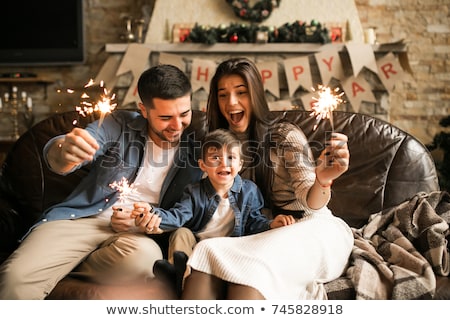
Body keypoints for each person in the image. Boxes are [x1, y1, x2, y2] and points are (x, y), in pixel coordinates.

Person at [0, 64, 203, 299]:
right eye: (166, 117)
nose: (177, 126)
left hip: (135, 236)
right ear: (144, 111)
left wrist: (149, 221)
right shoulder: (117, 123)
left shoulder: (197, 149)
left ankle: (64, 266)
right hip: (82, 220)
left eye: (184, 114)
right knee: (14, 278)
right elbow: (64, 154)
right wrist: (64, 150)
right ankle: (54, 262)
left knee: (144, 262)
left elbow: (192, 209)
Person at [181, 57, 354, 300]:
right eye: (222, 95)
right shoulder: (217, 146)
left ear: (256, 95)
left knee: (249, 272)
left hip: (309, 226)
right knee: (205, 252)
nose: (231, 102)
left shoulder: (284, 135)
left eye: (241, 92)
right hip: (263, 231)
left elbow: (309, 201)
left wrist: (322, 180)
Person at [132, 129, 294, 295]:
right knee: (181, 233)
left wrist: (272, 224)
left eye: (231, 157)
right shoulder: (194, 191)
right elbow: (178, 216)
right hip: (198, 248)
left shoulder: (249, 191)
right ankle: (180, 271)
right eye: (215, 158)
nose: (224, 163)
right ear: (203, 166)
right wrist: (152, 212)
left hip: (229, 247)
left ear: (240, 164)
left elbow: (254, 222)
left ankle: (178, 279)